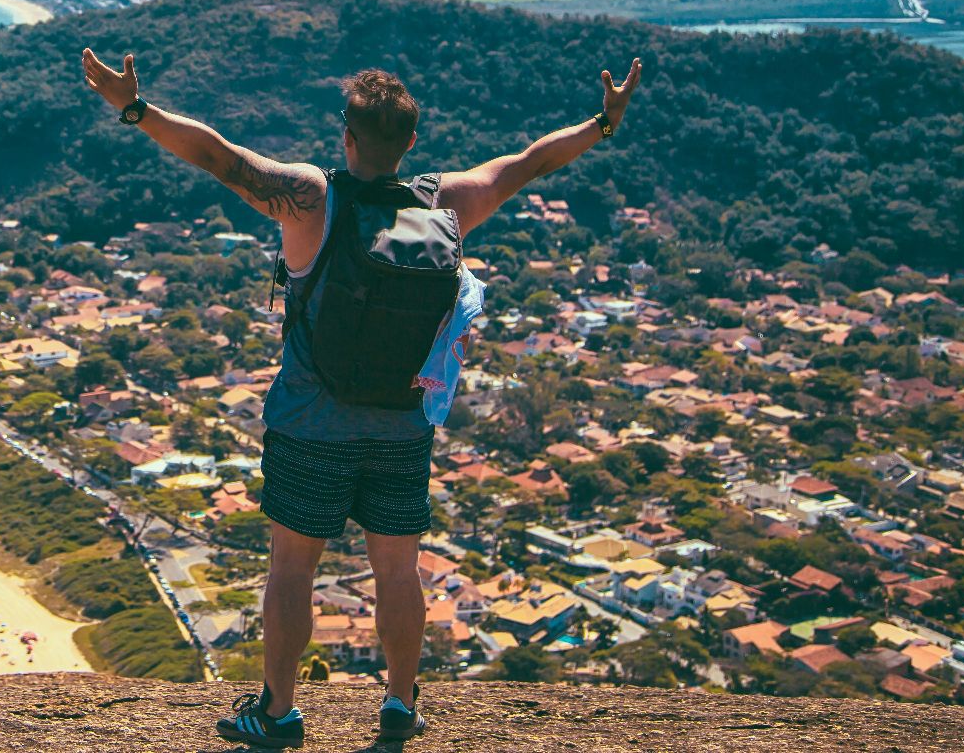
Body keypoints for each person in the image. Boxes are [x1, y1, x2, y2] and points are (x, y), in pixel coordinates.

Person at [80, 48, 643, 749]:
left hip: (310, 422)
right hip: (403, 425)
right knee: (399, 570)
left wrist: (135, 109)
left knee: (292, 568)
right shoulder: (446, 203)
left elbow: (220, 158)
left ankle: (279, 713)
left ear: (346, 136)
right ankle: (400, 705)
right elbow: (529, 163)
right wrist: (603, 121)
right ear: (411, 142)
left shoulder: (313, 198)